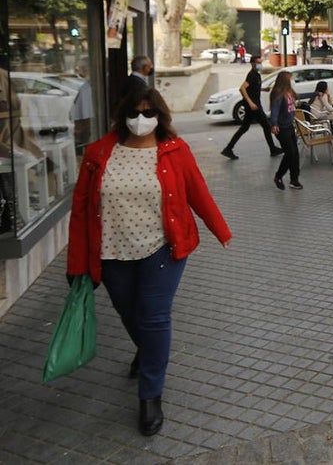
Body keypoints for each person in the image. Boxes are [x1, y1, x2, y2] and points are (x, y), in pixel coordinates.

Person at [67, 87, 231, 436]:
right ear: (122, 115)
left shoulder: (175, 150)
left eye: (148, 113)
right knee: (130, 313)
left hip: (162, 248)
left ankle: (150, 394)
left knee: (154, 317)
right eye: (134, 113)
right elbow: (80, 211)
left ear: (161, 117)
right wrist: (76, 263)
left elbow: (197, 191)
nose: (140, 121)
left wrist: (221, 230)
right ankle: (147, 351)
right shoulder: (98, 153)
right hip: (111, 251)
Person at [221, 55, 281, 160]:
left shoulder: (256, 75)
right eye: (258, 63)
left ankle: (228, 148)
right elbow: (242, 88)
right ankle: (273, 149)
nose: (260, 65)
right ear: (252, 63)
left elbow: (253, 87)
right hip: (253, 107)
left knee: (244, 127)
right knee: (267, 126)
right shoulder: (252, 75)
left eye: (261, 62)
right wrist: (251, 103)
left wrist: (263, 89)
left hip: (253, 105)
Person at [268, 71, 303, 190]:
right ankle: (278, 176)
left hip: (289, 126)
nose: (292, 81)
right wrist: (274, 124)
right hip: (282, 128)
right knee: (290, 153)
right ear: (285, 80)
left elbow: (299, 96)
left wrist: (315, 93)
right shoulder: (278, 93)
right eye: (290, 79)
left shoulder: (289, 92)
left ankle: (294, 179)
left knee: (295, 154)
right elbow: (275, 110)